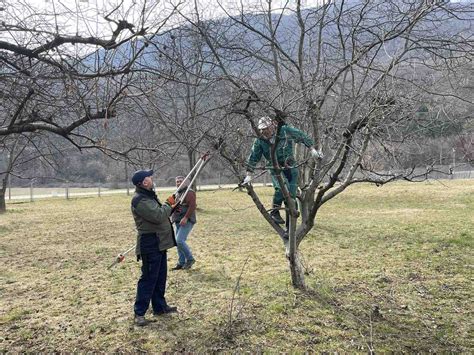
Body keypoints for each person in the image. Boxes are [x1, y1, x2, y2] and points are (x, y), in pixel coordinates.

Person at [244, 116, 322, 226]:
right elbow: (253, 156)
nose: (263, 131)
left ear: (272, 126)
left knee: (291, 198)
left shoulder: (285, 131)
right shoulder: (260, 140)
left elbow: (301, 135)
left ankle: (290, 228)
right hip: (275, 168)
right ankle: (275, 212)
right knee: (281, 188)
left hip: (290, 167)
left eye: (265, 128)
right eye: (261, 129)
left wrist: (312, 149)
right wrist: (249, 174)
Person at [130, 169, 178, 326]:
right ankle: (139, 314)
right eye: (149, 177)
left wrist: (170, 208)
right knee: (149, 279)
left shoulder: (148, 195)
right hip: (150, 244)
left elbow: (161, 214)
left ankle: (160, 307)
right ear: (144, 182)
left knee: (160, 277)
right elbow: (157, 216)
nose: (152, 178)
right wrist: (168, 204)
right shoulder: (139, 200)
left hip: (159, 243)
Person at [171, 175, 197, 270]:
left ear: (186, 182)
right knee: (177, 242)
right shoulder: (177, 193)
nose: (179, 183)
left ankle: (190, 259)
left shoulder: (189, 192)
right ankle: (181, 262)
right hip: (177, 221)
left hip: (187, 221)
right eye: (177, 181)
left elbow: (192, 206)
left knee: (179, 240)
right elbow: (172, 206)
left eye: (181, 181)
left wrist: (186, 217)